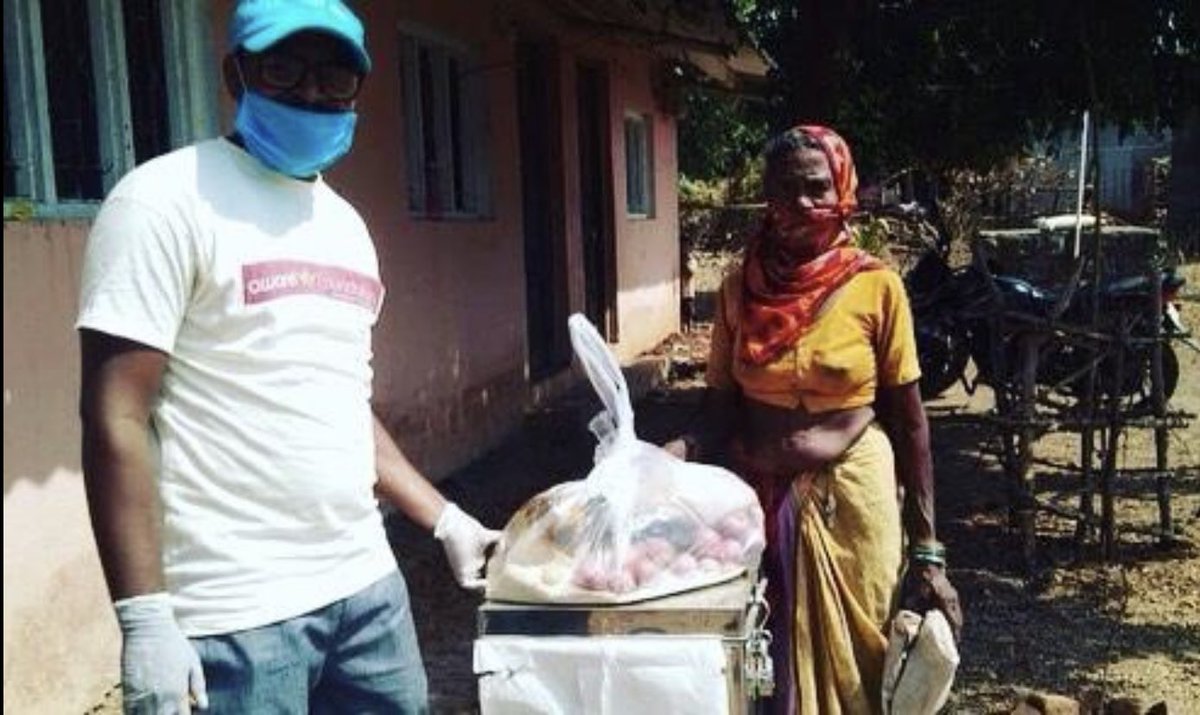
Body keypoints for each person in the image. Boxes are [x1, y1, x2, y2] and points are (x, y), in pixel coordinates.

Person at [76, 2, 499, 712]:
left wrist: (443, 517)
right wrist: (144, 616)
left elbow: (337, 404)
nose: (311, 93)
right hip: (233, 617)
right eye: (284, 68)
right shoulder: (163, 201)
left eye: (335, 78)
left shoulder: (344, 227)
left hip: (366, 591)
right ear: (234, 74)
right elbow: (114, 413)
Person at [665, 125, 963, 714]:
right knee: (762, 667)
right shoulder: (737, 289)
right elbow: (716, 413)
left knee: (864, 668)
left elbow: (909, 422)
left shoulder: (877, 287)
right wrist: (653, 459)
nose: (801, 204)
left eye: (817, 188)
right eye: (785, 189)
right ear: (766, 197)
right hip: (757, 505)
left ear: (843, 190)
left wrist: (928, 550)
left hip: (856, 504)